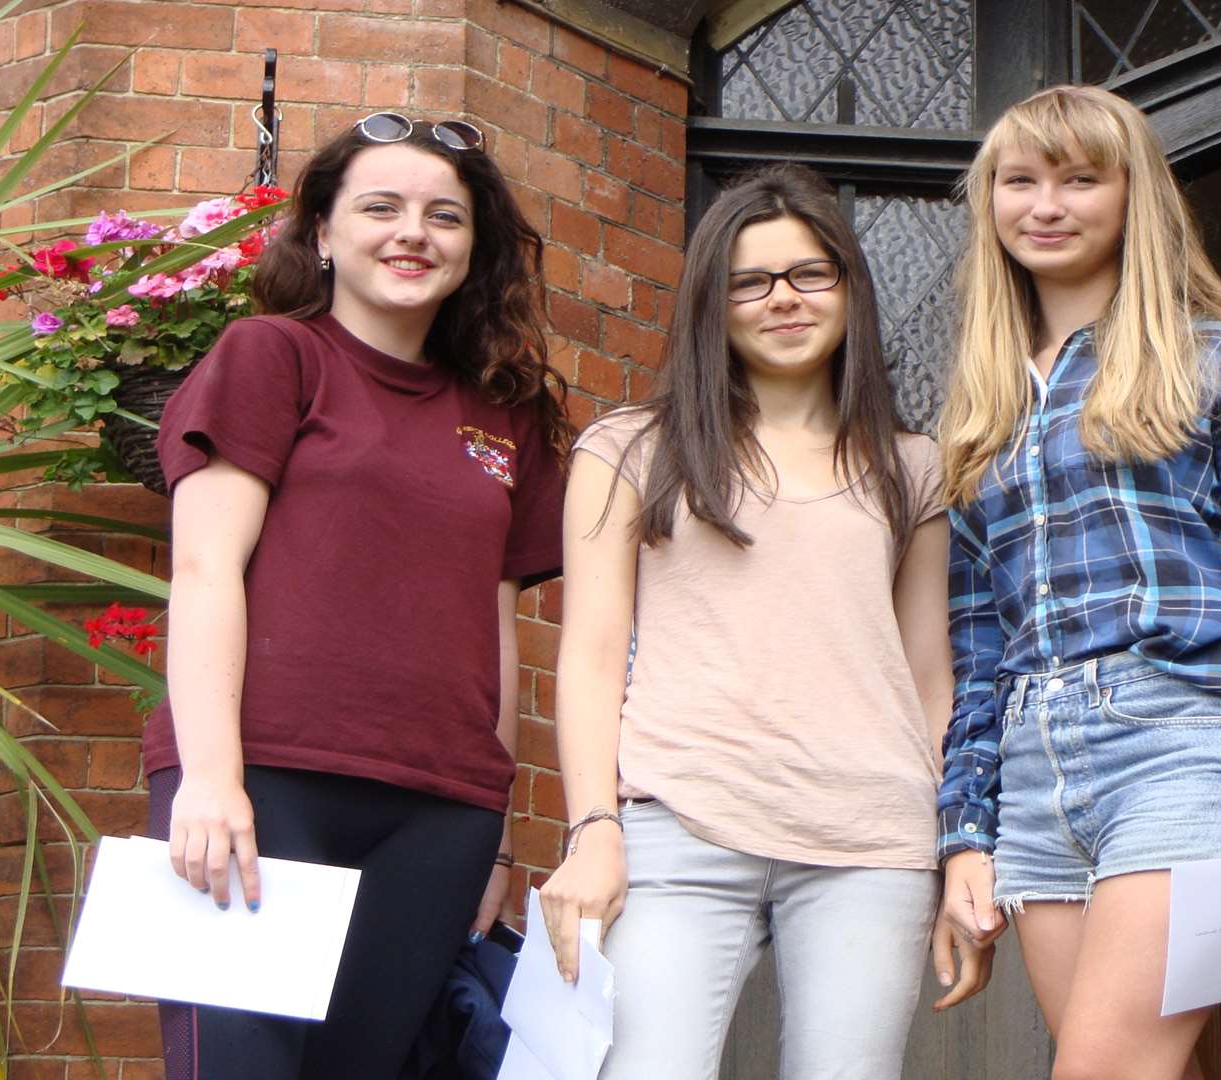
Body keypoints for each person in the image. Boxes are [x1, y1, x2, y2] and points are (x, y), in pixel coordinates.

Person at [935, 85, 1221, 1080]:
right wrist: (965, 830)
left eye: (1082, 178)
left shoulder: (1215, 360)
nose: (1047, 203)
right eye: (1021, 179)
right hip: (1037, 779)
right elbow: (977, 649)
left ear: (1135, 198)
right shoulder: (981, 407)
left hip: (1183, 743)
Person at [537, 163, 991, 1080]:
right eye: (750, 281)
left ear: (849, 289)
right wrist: (593, 828)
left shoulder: (913, 467)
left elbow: (928, 671)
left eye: (808, 273)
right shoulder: (629, 448)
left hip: (873, 837)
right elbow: (587, 657)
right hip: (681, 818)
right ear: (715, 303)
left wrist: (960, 849)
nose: (782, 299)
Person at [142, 111, 570, 1080]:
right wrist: (210, 776)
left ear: (474, 249)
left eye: (443, 217)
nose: (412, 233)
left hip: (438, 816)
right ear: (325, 234)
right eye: (380, 207)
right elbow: (205, 569)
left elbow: (498, 628)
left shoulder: (505, 418)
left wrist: (497, 835)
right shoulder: (270, 357)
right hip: (265, 783)